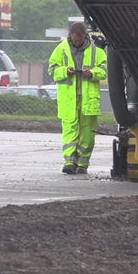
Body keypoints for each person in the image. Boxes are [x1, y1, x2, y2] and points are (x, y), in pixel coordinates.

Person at [48, 22, 107, 174]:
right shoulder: (61, 49)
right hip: (69, 100)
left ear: (85, 36)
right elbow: (52, 70)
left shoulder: (96, 51)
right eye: (75, 41)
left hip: (88, 100)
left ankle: (83, 164)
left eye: (80, 41)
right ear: (70, 36)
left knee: (88, 132)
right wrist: (65, 71)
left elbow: (104, 70)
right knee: (70, 131)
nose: (77, 43)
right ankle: (69, 161)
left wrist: (92, 73)